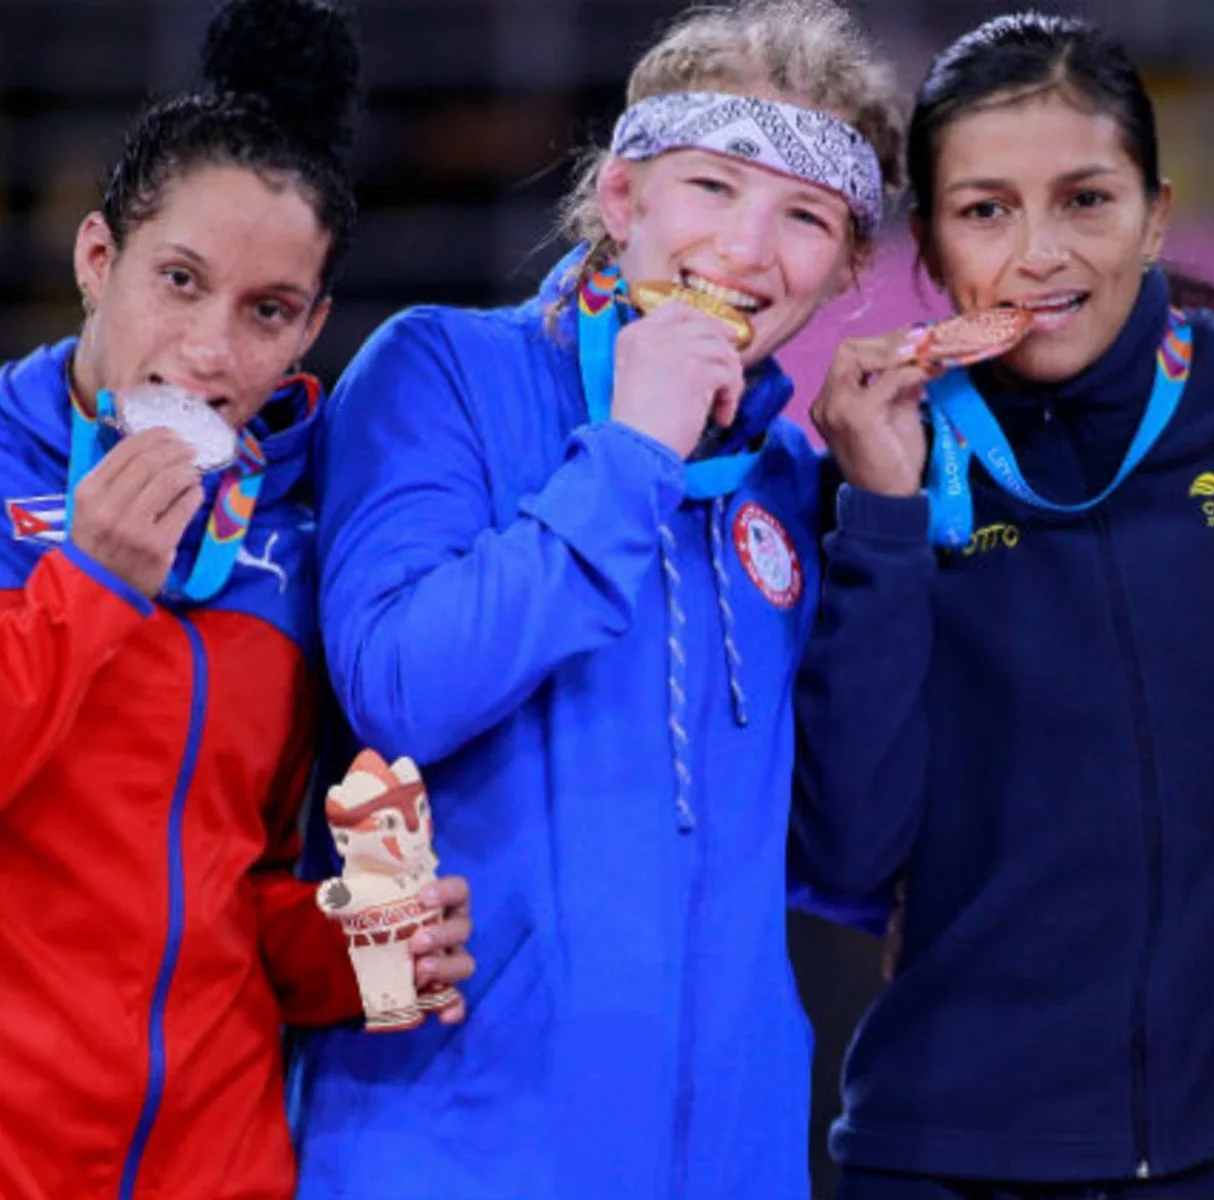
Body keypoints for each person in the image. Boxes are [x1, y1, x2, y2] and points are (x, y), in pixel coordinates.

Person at [289, 2, 903, 1196]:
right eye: (711, 189)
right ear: (621, 199)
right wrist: (630, 453)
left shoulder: (785, 483)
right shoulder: (441, 371)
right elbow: (399, 688)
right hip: (452, 1152)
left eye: (805, 217)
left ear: (846, 268)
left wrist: (880, 522)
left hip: (729, 1162)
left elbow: (850, 852)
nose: (746, 249)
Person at [797, 12, 1214, 1197]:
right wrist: (879, 513)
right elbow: (850, 852)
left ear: (1156, 213)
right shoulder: (878, 470)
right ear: (927, 242)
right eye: (985, 211)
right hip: (945, 1151)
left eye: (1085, 199)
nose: (1039, 255)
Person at [0, 3, 475, 1198]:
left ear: (310, 326)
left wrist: (366, 953)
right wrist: (91, 587)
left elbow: (238, 896)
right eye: (178, 280)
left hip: (213, 1163)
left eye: (265, 310)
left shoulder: (301, 535)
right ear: (96, 257)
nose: (210, 352)